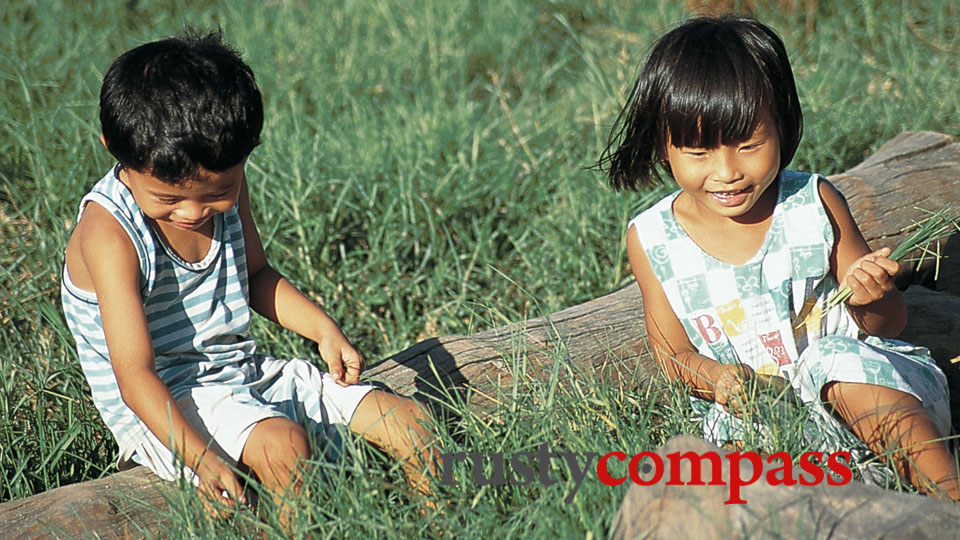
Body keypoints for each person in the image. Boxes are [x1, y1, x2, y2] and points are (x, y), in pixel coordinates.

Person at [60, 30, 437, 520]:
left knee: (411, 421)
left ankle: (441, 522)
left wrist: (323, 330)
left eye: (217, 192)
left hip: (243, 372)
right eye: (169, 199)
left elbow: (255, 273)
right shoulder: (110, 233)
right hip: (166, 406)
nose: (194, 213)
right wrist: (200, 459)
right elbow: (135, 376)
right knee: (285, 446)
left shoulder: (224, 183)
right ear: (116, 149)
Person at [598, 16, 958, 499]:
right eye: (699, 152)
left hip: (874, 400)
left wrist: (872, 296)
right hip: (765, 427)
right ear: (665, 147)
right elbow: (672, 354)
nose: (727, 172)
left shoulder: (813, 203)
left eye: (749, 145)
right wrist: (715, 378)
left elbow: (888, 324)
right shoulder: (652, 239)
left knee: (833, 360)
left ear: (782, 126)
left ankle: (949, 499)